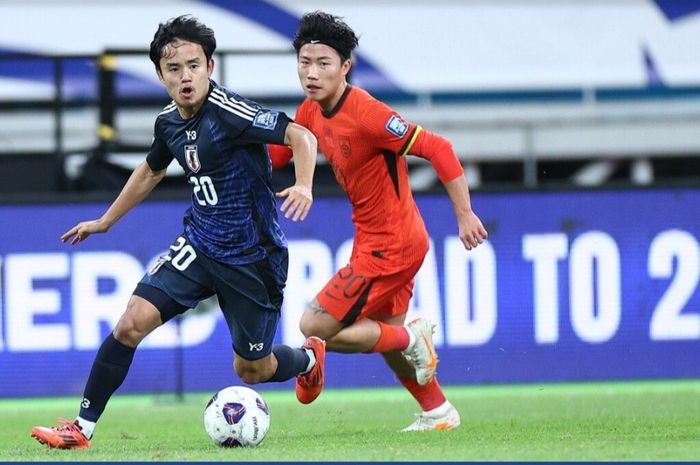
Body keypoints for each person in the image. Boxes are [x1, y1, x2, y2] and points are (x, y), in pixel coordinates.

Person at [31, 15, 322, 450]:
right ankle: (81, 429)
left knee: (252, 369)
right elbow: (151, 170)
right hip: (199, 245)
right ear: (160, 75)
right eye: (174, 69)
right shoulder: (168, 122)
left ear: (210, 66)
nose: (185, 77)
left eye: (193, 65)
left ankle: (308, 359)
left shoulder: (230, 112)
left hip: (251, 257)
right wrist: (106, 221)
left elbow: (300, 135)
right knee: (130, 324)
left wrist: (303, 184)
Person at [268, 11, 488, 432]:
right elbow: (277, 156)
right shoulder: (311, 111)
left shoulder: (368, 113)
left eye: (323, 64)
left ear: (345, 66)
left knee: (316, 326)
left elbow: (438, 147)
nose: (312, 74)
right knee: (381, 334)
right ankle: (439, 411)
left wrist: (464, 214)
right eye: (304, 63)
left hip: (391, 244)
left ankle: (413, 336)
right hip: (381, 239)